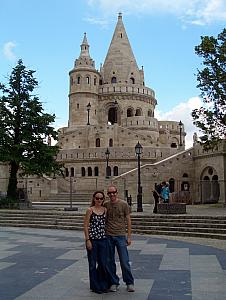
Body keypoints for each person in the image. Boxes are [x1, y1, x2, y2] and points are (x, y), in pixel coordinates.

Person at [104, 184, 135, 293]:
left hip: (121, 235)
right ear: (107, 194)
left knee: (124, 261)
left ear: (117, 193)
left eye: (113, 192)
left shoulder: (124, 204)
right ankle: (113, 282)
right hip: (108, 235)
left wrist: (129, 236)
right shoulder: (106, 205)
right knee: (109, 260)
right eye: (109, 193)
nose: (112, 194)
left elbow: (128, 220)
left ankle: (129, 282)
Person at [84, 191, 110, 294]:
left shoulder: (105, 210)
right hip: (93, 240)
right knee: (92, 264)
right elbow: (86, 226)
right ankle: (95, 286)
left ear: (103, 199)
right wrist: (87, 240)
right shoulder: (90, 210)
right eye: (97, 198)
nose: (99, 200)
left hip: (103, 240)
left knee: (103, 263)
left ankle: (103, 284)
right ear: (94, 199)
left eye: (101, 198)